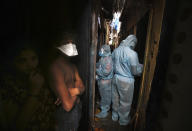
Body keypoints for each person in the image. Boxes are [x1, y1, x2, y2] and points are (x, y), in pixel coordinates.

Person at [0, 44, 56, 131]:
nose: (30, 65)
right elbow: (16, 127)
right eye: (22, 61)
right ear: (13, 62)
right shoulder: (8, 87)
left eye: (33, 59)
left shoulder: (40, 76)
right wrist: (34, 91)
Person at [48, 32, 85, 131]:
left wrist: (71, 92)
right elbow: (67, 106)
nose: (70, 45)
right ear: (59, 45)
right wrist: (78, 91)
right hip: (65, 116)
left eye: (72, 43)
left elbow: (83, 87)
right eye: (66, 42)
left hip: (76, 110)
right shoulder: (56, 67)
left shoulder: (72, 66)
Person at [111, 35, 143, 125]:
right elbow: (135, 71)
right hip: (126, 81)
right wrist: (141, 68)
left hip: (116, 77)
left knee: (115, 99)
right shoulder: (132, 54)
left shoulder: (116, 50)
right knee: (125, 102)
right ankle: (123, 120)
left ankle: (114, 116)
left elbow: (111, 63)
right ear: (132, 42)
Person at [95, 44, 113, 118]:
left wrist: (96, 70)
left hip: (106, 82)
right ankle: (103, 105)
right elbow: (99, 64)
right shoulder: (103, 57)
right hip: (102, 81)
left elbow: (106, 72)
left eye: (101, 50)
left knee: (106, 96)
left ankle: (104, 111)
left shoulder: (108, 59)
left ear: (105, 50)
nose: (100, 51)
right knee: (103, 95)